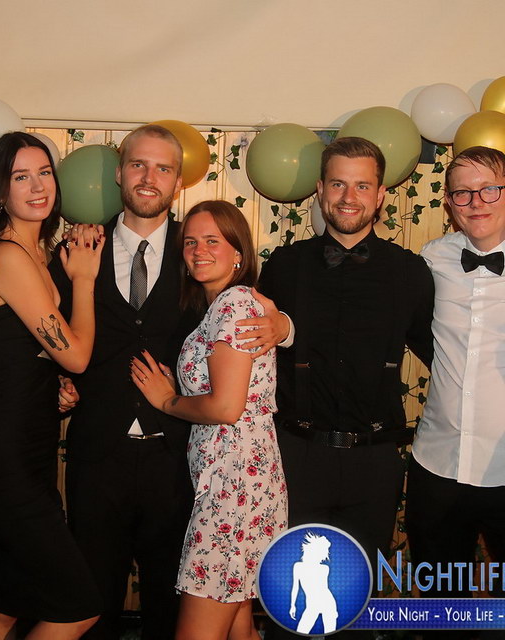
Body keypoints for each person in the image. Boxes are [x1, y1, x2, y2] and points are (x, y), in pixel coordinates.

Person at [49, 125, 282, 640]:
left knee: (172, 603)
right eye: (138, 164)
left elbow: (258, 311)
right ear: (119, 173)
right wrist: (56, 381)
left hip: (180, 460)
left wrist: (284, 327)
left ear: (178, 181)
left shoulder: (197, 249)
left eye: (163, 168)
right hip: (97, 454)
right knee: (91, 601)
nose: (149, 177)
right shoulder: (80, 248)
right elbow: (45, 329)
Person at [255, 137, 434, 638]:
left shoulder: (410, 273)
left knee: (355, 603)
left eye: (362, 185)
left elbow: (442, 355)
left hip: (373, 462)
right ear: (319, 189)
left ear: (380, 195)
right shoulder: (284, 266)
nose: (349, 197)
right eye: (338, 184)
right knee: (289, 606)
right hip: (295, 455)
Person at [0, 132, 103, 639]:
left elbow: (29, 354)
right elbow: (78, 355)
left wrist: (51, 385)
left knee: (3, 605)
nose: (38, 186)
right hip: (5, 458)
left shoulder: (36, 253)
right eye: (21, 177)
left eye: (44, 173)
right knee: (79, 608)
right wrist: (83, 280)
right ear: (0, 191)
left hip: (30, 448)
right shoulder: (8, 256)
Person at [130, 200, 288, 640]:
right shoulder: (223, 305)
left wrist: (168, 401)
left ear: (238, 251)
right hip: (242, 484)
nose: (198, 250)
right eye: (191, 242)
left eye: (212, 241)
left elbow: (225, 408)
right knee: (240, 629)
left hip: (232, 490)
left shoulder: (233, 304)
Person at [406, 145, 505, 605]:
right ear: (448, 203)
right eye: (463, 193)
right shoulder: (433, 257)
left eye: (489, 189)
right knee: (442, 609)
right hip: (437, 466)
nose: (476, 202)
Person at [289, 532, 337, 635]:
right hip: (312, 605)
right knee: (301, 632)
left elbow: (324, 588)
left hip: (328, 603)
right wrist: (292, 605)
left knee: (330, 634)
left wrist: (333, 610)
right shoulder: (298, 566)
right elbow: (295, 587)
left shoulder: (324, 568)